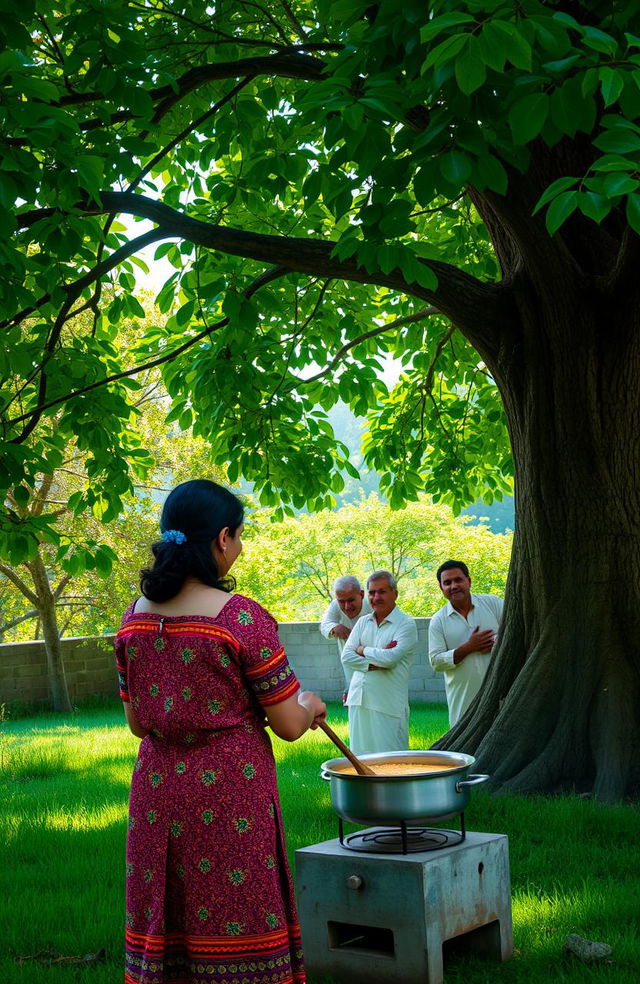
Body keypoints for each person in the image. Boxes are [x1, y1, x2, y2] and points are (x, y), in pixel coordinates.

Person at [114, 479, 326, 984]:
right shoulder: (241, 619)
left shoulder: (132, 621)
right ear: (223, 537)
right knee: (238, 909)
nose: (239, 547)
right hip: (230, 794)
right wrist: (311, 704)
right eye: (239, 536)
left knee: (167, 912)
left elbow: (137, 723)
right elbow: (291, 725)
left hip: (157, 790)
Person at [341, 570, 417, 756]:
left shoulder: (405, 624)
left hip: (388, 703)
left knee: (392, 759)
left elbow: (390, 658)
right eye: (372, 592)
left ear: (395, 593)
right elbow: (346, 656)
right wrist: (371, 663)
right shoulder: (362, 622)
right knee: (360, 757)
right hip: (359, 701)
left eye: (382, 592)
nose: (376, 597)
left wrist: (362, 650)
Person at [428, 560, 504, 727]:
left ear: (469, 581)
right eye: (447, 583)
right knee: (464, 747)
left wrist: (494, 642)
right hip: (462, 700)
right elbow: (435, 661)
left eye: (458, 580)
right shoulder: (438, 621)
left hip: (500, 694)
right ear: (441, 588)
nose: (453, 586)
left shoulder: (493, 604)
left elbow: (515, 633)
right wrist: (468, 648)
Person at [319, 575, 372, 701]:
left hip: (374, 659)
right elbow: (324, 624)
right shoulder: (335, 605)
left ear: (362, 594)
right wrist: (335, 627)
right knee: (353, 694)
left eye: (351, 600)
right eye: (342, 601)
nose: (347, 606)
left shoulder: (372, 604)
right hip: (350, 663)